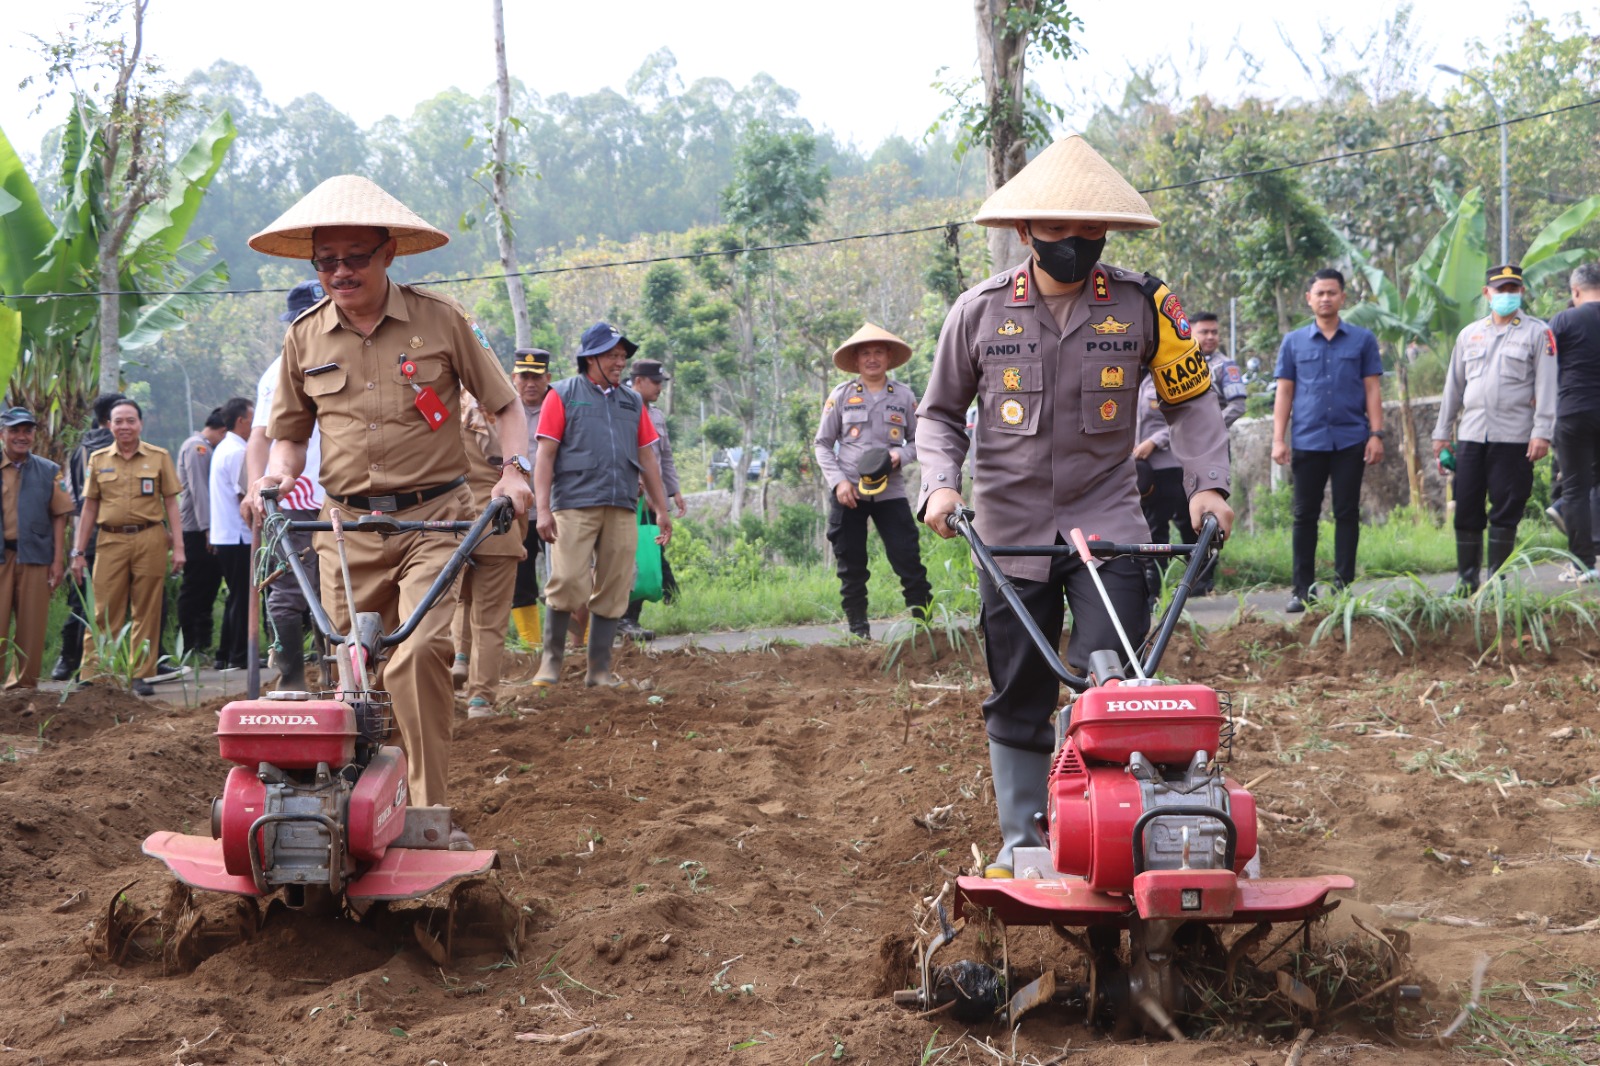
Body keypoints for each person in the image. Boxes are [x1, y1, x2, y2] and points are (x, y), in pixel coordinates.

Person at [915, 135, 1234, 879]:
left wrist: (1207, 484)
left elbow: (1191, 403)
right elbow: (937, 414)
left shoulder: (1143, 305)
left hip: (1110, 523)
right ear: (1026, 233)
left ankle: (1119, 829)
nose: (1072, 246)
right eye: (1056, 233)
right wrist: (939, 483)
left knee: (1116, 673)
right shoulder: (980, 312)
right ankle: (1024, 839)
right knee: (1020, 681)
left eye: (1087, 234)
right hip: (1007, 527)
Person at [246, 174, 533, 838]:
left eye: (354, 259)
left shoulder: (442, 320)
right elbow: (290, 439)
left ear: (387, 255)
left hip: (434, 519)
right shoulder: (305, 338)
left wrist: (513, 473)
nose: (340, 273)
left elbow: (505, 405)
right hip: (344, 529)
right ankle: (357, 808)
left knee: (420, 652)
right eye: (326, 262)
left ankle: (428, 813)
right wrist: (276, 480)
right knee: (355, 676)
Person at [532, 322, 673, 688]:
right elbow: (545, 456)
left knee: (615, 586)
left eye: (623, 356)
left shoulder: (632, 402)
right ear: (590, 357)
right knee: (566, 581)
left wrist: (661, 508)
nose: (620, 362)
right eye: (612, 355)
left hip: (622, 503)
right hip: (574, 504)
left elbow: (648, 457)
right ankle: (550, 664)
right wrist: (543, 510)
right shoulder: (561, 394)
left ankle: (599, 669)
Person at [1431, 263, 1556, 591]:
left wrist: (1542, 432)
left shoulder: (1538, 333)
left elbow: (1546, 387)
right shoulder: (1469, 334)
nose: (1506, 295)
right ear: (1487, 293)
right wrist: (1442, 433)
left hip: (1514, 437)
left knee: (1506, 506)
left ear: (1522, 292)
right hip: (1472, 435)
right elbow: (1453, 387)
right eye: (1500, 289)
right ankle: (1466, 581)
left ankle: (1497, 584)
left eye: (1513, 289)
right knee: (1467, 507)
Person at [1271, 269, 1385, 613]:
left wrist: (1377, 434)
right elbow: (1285, 392)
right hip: (1308, 439)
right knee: (1304, 515)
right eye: (1319, 293)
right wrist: (1278, 439)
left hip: (1351, 439)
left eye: (1332, 293)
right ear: (1309, 298)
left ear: (1343, 298)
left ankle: (1343, 588)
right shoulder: (1293, 342)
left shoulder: (1362, 340)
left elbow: (1372, 389)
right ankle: (1301, 590)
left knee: (1347, 513)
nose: (1325, 298)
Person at [813, 323, 932, 638]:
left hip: (890, 492)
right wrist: (839, 482)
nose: (872, 358)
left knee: (908, 558)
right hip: (848, 492)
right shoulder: (841, 396)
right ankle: (858, 631)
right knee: (851, 564)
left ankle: (925, 627)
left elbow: (920, 441)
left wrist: (900, 456)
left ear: (889, 356)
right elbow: (822, 445)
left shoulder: (904, 396)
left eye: (878, 352)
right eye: (865, 353)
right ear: (856, 360)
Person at [70, 399, 185, 697]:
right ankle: (95, 672)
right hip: (110, 540)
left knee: (146, 607)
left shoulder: (159, 457)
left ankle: (140, 674)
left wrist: (180, 547)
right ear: (108, 424)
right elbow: (89, 508)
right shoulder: (98, 459)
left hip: (150, 538)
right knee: (104, 608)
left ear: (140, 424)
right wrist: (78, 552)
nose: (124, 426)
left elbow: (172, 503)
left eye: (130, 420)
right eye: (118, 421)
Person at [248, 279, 328, 691]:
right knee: (289, 586)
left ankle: (337, 677)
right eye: (302, 319)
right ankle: (293, 678)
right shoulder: (278, 372)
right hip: (294, 496)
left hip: (345, 495)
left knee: (335, 589)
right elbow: (260, 437)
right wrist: (254, 489)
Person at [451, 385, 529, 717]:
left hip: (453, 526)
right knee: (491, 619)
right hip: (498, 528)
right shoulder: (509, 427)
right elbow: (521, 492)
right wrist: (519, 538)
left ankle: (458, 658)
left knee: (456, 601)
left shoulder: (445, 419)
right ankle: (481, 699)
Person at [51, 392, 123, 682]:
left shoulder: (79, 449)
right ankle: (144, 662)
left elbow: (74, 498)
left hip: (84, 533)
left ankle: (67, 660)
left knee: (83, 599)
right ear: (111, 419)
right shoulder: (116, 448)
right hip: (112, 533)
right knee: (125, 600)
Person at [0, 407, 75, 688]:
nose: (21, 436)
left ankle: (22, 690)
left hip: (35, 559)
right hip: (1, 558)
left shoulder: (49, 471)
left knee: (31, 628)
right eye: (14, 430)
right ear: (2, 434)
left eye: (27, 430)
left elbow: (60, 515)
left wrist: (57, 561)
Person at [620, 358, 687, 641]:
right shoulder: (620, 409)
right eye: (655, 382)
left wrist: (673, 491)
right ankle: (622, 618)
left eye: (661, 382)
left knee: (648, 556)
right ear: (638, 381)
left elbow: (665, 457)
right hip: (627, 501)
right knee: (627, 559)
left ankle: (631, 618)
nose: (660, 387)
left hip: (653, 501)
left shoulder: (656, 416)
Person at [1549, 262, 1600, 581]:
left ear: (1575, 291)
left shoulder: (1564, 320)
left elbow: (1544, 366)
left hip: (1574, 412)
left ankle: (1584, 565)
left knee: (1577, 489)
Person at [501, 348, 551, 662]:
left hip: (555, 507)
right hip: (517, 510)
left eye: (537, 377)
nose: (530, 384)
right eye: (524, 377)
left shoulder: (561, 407)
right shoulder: (503, 411)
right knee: (521, 579)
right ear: (513, 378)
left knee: (569, 577)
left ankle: (579, 643)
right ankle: (531, 646)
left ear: (548, 378)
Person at [176, 408, 227, 660]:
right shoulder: (198, 448)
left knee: (209, 584)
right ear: (223, 430)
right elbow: (199, 491)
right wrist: (209, 528)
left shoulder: (206, 447)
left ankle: (202, 643)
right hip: (196, 529)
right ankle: (188, 644)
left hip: (205, 527)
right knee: (195, 586)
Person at [208, 397, 254, 670]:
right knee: (243, 595)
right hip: (238, 535)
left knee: (235, 595)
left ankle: (225, 654)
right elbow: (244, 495)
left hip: (226, 534)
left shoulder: (225, 447)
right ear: (240, 421)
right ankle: (238, 654)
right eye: (252, 419)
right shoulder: (237, 451)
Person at [1191, 312, 1249, 427]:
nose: (1210, 337)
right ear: (1189, 334)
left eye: (1214, 332)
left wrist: (1210, 427)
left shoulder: (1225, 366)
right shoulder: (1179, 364)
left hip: (1212, 441)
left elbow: (1238, 406)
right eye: (1204, 332)